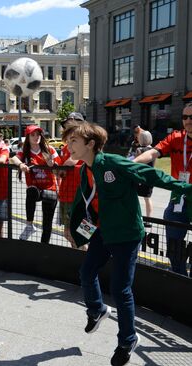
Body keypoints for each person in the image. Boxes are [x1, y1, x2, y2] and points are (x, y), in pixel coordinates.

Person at [63, 121, 192, 366]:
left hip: (126, 234)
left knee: (121, 290)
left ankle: (127, 340)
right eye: (68, 141)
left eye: (73, 141)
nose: (68, 146)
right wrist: (77, 231)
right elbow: (87, 204)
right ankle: (97, 310)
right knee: (87, 272)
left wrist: (185, 188)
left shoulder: (112, 162)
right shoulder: (84, 170)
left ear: (90, 144)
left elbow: (150, 174)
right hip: (103, 232)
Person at [134, 102, 192, 276]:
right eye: (184, 117)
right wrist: (132, 163)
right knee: (174, 243)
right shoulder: (175, 138)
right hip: (178, 195)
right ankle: (179, 277)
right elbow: (153, 152)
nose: (188, 120)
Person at [12, 125, 61, 243]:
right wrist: (21, 165)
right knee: (31, 191)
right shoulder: (25, 151)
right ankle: (29, 225)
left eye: (38, 134)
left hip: (50, 188)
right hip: (36, 190)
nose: (36, 137)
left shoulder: (50, 150)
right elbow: (12, 158)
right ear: (27, 137)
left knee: (47, 223)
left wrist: (52, 165)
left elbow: (59, 172)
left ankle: (44, 247)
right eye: (33, 135)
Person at [58, 112, 86, 249]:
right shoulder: (64, 148)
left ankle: (86, 258)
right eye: (67, 127)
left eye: (72, 126)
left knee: (83, 233)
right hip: (66, 195)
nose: (68, 130)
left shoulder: (88, 146)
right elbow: (60, 172)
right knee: (68, 233)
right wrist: (59, 169)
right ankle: (81, 258)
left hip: (84, 198)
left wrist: (70, 164)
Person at [134, 130, 155, 226]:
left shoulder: (139, 150)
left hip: (140, 176)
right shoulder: (153, 150)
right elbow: (153, 165)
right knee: (148, 198)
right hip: (150, 176)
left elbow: (135, 164)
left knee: (135, 197)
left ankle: (136, 217)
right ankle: (149, 220)